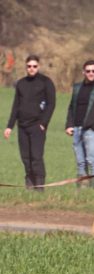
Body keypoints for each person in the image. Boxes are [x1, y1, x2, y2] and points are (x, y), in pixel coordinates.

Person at [4, 55, 56, 190]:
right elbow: (16, 105)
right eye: (29, 66)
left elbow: (51, 104)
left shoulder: (46, 82)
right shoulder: (21, 83)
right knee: (26, 158)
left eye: (34, 66)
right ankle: (29, 184)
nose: (31, 69)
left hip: (37, 126)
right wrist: (10, 126)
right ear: (26, 67)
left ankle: (40, 187)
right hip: (22, 126)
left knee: (36, 157)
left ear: (38, 66)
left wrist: (43, 123)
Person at [64, 59, 94, 188]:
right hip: (77, 129)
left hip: (92, 131)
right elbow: (71, 107)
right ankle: (82, 189)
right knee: (80, 162)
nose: (91, 73)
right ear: (83, 72)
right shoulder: (77, 88)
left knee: (92, 161)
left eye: (93, 71)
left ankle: (93, 190)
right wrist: (69, 125)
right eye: (88, 71)